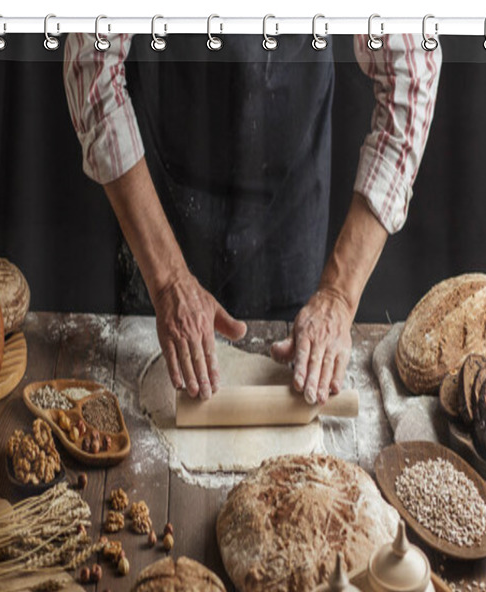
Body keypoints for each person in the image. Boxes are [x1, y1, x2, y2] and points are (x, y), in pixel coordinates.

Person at [64, 32, 440, 404]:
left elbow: (410, 75)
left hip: (291, 198)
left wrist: (339, 294)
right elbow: (91, 66)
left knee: (293, 393)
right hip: (160, 196)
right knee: (151, 396)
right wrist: (166, 282)